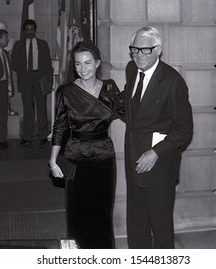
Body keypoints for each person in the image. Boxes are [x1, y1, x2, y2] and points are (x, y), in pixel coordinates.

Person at [48, 41, 124, 249]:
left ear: (98, 63)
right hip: (76, 158)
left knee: (102, 212)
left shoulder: (110, 88)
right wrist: (53, 160)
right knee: (77, 213)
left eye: (88, 63)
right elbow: (60, 126)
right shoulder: (66, 91)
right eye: (79, 64)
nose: (84, 69)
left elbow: (130, 113)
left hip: (104, 157)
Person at [124, 26, 193, 249]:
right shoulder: (131, 70)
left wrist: (156, 152)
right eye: (134, 49)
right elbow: (132, 112)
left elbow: (184, 129)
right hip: (133, 161)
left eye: (145, 50)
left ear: (158, 50)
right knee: (136, 224)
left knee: (161, 228)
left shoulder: (173, 82)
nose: (138, 55)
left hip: (159, 165)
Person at [11, 19, 53, 147]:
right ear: (24, 31)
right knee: (27, 108)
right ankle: (27, 136)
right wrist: (24, 73)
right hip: (26, 79)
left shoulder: (43, 44)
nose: (30, 32)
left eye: (32, 29)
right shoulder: (18, 45)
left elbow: (48, 64)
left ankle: (43, 136)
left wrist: (48, 82)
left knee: (41, 108)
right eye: (27, 29)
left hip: (40, 78)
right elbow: (13, 63)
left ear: (35, 30)